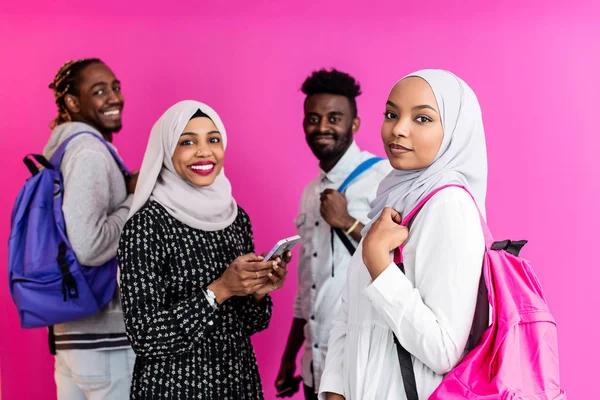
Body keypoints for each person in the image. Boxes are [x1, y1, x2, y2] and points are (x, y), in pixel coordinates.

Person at [319, 69, 488, 399]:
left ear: (454, 130)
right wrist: (334, 391)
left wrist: (378, 263)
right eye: (391, 114)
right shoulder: (393, 198)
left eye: (422, 118)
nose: (398, 128)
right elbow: (349, 313)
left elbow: (443, 350)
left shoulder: (449, 205)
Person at [119, 100, 290, 399]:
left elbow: (249, 324)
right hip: (173, 388)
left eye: (213, 139)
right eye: (187, 142)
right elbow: (144, 337)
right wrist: (219, 289)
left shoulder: (236, 218)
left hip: (236, 381)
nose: (204, 151)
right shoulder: (146, 225)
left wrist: (258, 291)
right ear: (167, 150)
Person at [276, 69, 391, 399]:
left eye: (334, 117)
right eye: (313, 118)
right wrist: (290, 358)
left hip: (363, 365)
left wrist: (348, 223)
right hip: (317, 365)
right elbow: (307, 288)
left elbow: (403, 261)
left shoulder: (383, 178)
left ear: (354, 124)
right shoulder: (310, 193)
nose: (322, 127)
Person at [44, 58, 138, 399]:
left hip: (74, 334)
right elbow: (89, 245)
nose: (114, 97)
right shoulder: (88, 152)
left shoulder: (64, 149)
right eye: (99, 91)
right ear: (72, 102)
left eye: (115, 87)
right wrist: (133, 198)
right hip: (104, 342)